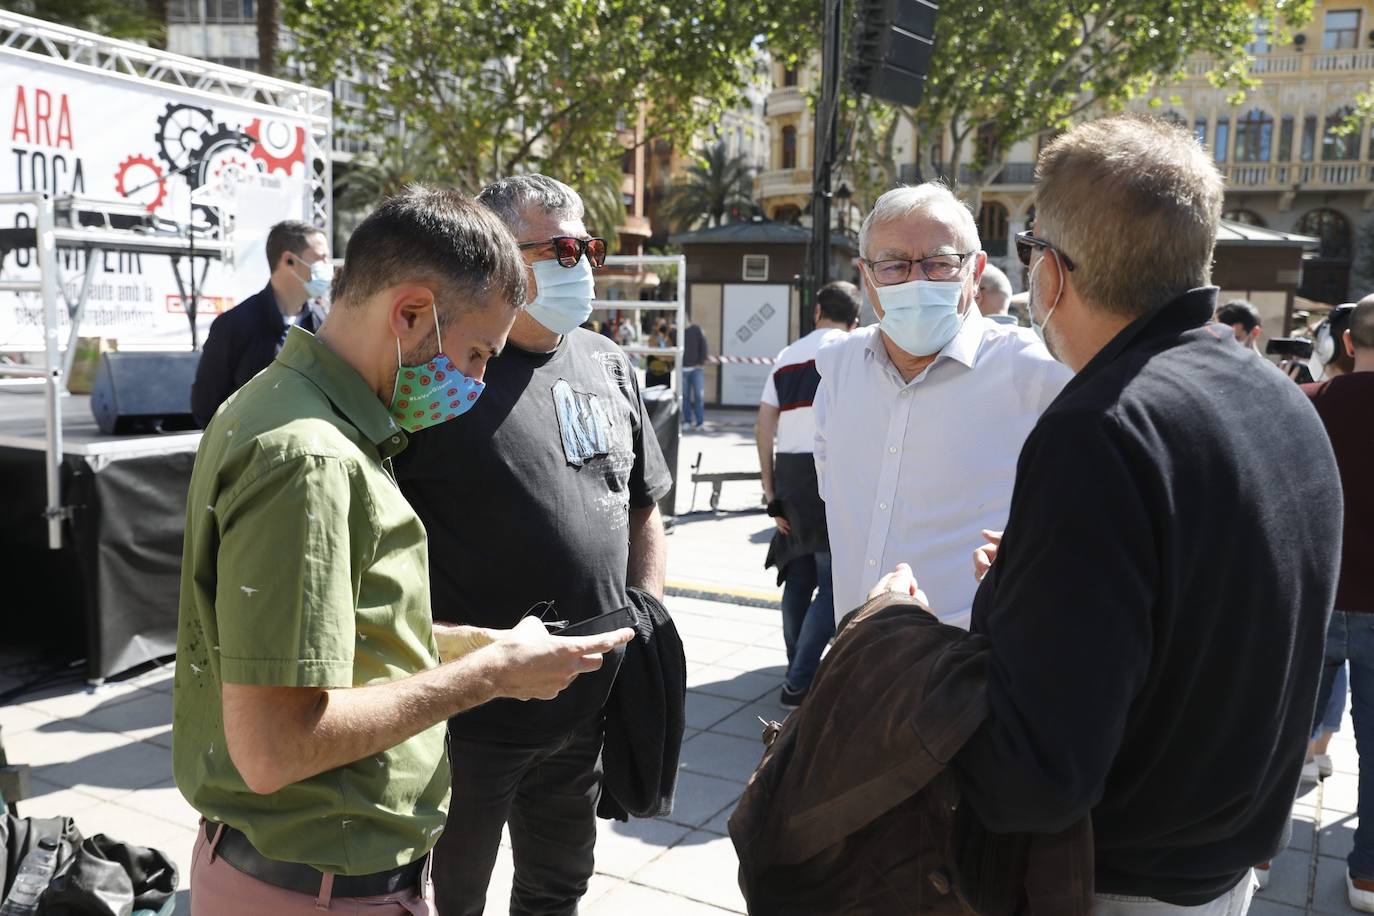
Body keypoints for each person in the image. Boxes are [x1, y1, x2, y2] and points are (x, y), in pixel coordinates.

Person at [876, 115, 1342, 914]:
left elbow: (1035, 777)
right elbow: (1194, 604)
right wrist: (1037, 584)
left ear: (1050, 273)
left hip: (1116, 882)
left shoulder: (1099, 430)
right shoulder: (1279, 396)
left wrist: (903, 644)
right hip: (1224, 870)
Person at [173, 188, 634, 915]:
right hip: (317, 889)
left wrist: (459, 643)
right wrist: (486, 677)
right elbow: (275, 748)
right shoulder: (312, 458)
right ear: (411, 312)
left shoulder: (286, 407)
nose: (479, 382)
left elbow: (329, 636)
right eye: (478, 352)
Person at [393, 175, 672, 916]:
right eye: (558, 248)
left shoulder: (609, 362)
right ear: (494, 257)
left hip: (584, 705)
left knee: (559, 884)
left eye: (587, 247)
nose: (578, 264)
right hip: (471, 716)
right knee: (448, 898)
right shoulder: (441, 372)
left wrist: (646, 615)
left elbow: (644, 503)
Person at [812, 183, 1071, 629]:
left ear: (976, 270)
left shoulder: (1035, 370)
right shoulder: (838, 368)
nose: (916, 281)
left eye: (939, 263)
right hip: (855, 661)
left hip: (971, 675)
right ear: (867, 276)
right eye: (893, 265)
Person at [756, 281, 860, 707]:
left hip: (791, 475)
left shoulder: (786, 356)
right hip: (834, 472)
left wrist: (770, 490)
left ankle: (794, 666)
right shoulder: (854, 351)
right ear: (855, 319)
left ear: (817, 311)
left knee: (797, 580)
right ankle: (800, 681)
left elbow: (764, 426)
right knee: (832, 587)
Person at [1302, 299, 1374, 911]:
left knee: (1281, 733)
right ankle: (1369, 875)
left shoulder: (1311, 402)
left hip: (1316, 596)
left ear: (1348, 343)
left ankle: (1261, 851)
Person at [191, 220, 332, 427]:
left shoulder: (324, 323)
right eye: (321, 259)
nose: (328, 267)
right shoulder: (234, 325)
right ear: (289, 261)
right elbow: (206, 407)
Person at [682, 315, 709, 429]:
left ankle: (700, 422)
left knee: (699, 396)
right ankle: (687, 421)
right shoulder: (676, 332)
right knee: (685, 397)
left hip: (696, 369)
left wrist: (701, 362)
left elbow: (704, 345)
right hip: (683, 370)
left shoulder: (696, 329)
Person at [645, 318, 675, 388]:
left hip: (665, 372)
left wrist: (664, 357)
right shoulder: (652, 338)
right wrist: (664, 357)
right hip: (653, 372)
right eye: (661, 324)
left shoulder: (669, 339)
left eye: (664, 324)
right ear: (656, 327)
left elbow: (671, 356)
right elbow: (655, 353)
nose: (662, 326)